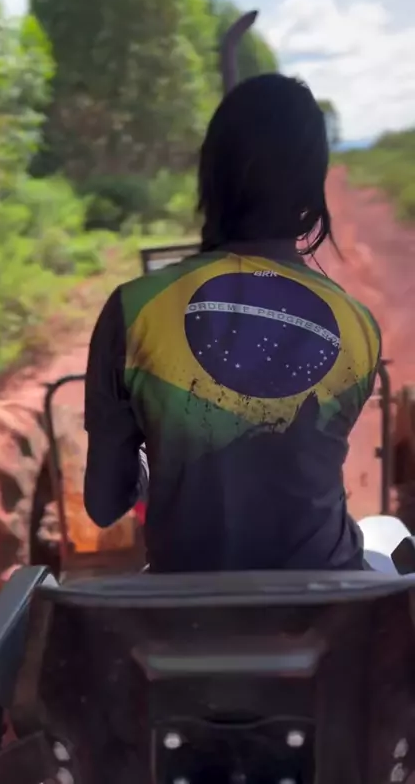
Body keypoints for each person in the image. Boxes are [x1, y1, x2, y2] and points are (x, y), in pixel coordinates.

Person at [83, 73, 381, 573]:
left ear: (211, 175)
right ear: (312, 184)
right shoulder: (357, 324)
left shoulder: (134, 309)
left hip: (186, 607)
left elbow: (104, 503)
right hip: (332, 600)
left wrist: (159, 456)